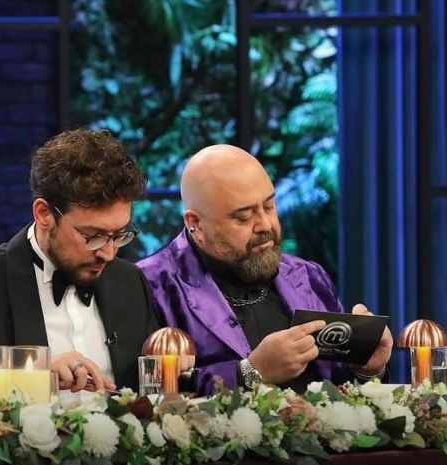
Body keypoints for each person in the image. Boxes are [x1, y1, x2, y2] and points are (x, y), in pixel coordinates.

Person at [0, 129, 158, 400]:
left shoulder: (130, 282)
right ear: (44, 214)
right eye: (93, 236)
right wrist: (33, 381)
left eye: (119, 234)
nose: (109, 254)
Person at [137, 144, 392, 395]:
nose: (266, 225)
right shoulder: (149, 286)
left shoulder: (308, 276)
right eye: (243, 217)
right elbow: (145, 394)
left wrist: (366, 370)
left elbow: (339, 387)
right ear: (196, 224)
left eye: (269, 206)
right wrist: (251, 373)